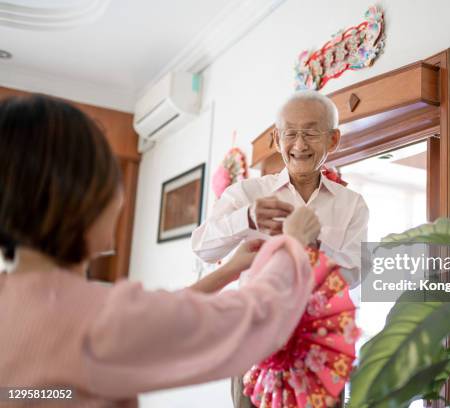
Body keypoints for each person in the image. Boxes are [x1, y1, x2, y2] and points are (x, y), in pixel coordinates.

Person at [0, 94, 322, 407]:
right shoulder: (100, 322)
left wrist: (228, 271)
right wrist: (292, 246)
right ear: (82, 197)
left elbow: (159, 315)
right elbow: (256, 319)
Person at [192, 90, 369, 286]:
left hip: (321, 314)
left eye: (311, 133)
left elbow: (356, 274)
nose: (300, 145)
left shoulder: (353, 204)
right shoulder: (246, 193)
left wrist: (314, 246)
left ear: (333, 140)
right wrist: (247, 218)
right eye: (290, 133)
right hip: (256, 313)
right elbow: (202, 249)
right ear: (277, 140)